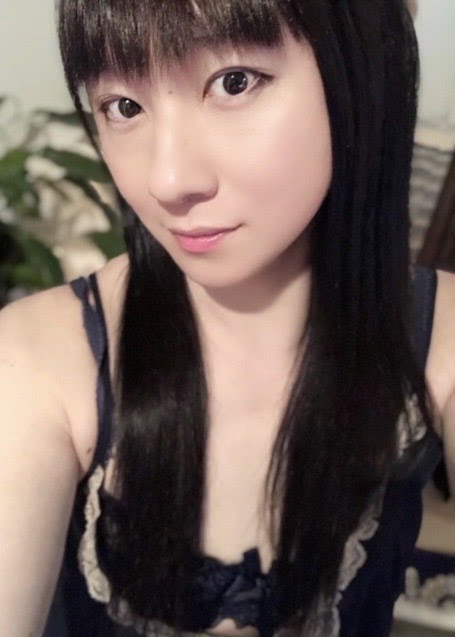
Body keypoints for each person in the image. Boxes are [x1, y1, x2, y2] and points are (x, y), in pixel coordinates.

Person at [0, 0, 454, 635]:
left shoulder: (442, 337)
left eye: (234, 82)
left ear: (361, 68)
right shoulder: (34, 360)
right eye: (123, 107)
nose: (167, 180)